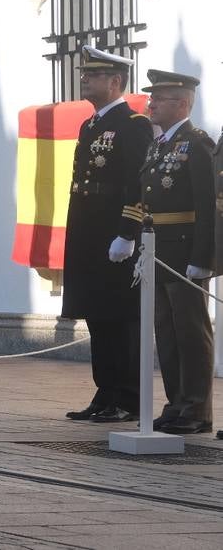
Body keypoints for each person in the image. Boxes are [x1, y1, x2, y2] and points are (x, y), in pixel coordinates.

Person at [59, 46, 153, 424]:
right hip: (88, 228)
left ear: (115, 82)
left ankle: (128, 397)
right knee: (97, 315)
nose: (84, 78)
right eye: (84, 73)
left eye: (93, 74)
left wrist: (127, 232)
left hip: (114, 229)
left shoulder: (133, 124)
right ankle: (106, 391)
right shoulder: (90, 124)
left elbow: (139, 182)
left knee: (120, 316)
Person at [123, 70, 216, 434]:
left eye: (159, 99)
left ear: (182, 103)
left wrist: (202, 258)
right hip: (157, 251)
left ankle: (197, 409)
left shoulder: (197, 144)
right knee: (167, 332)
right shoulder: (157, 145)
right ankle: (177, 403)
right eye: (152, 98)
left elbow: (206, 207)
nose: (151, 104)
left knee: (191, 332)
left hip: (184, 254)